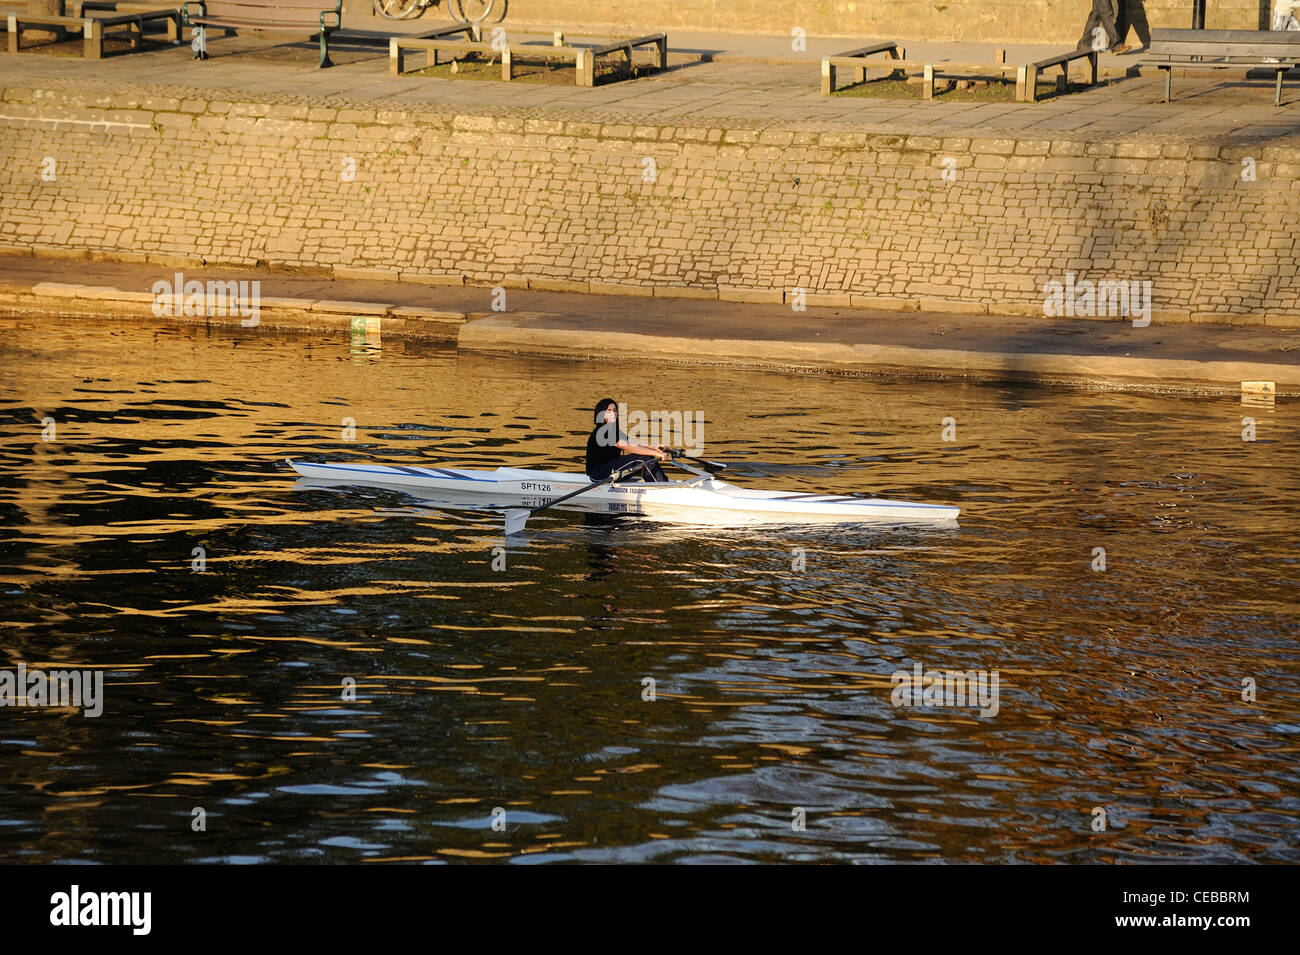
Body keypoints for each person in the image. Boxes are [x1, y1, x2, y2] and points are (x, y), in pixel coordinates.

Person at [585, 397, 669, 483]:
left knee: (647, 458)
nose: (613, 413)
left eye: (614, 410)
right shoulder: (602, 431)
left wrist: (654, 447)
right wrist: (656, 453)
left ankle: (659, 483)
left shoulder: (614, 430)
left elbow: (633, 442)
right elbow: (629, 446)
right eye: (609, 411)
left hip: (611, 469)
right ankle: (660, 485)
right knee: (643, 459)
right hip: (598, 474)